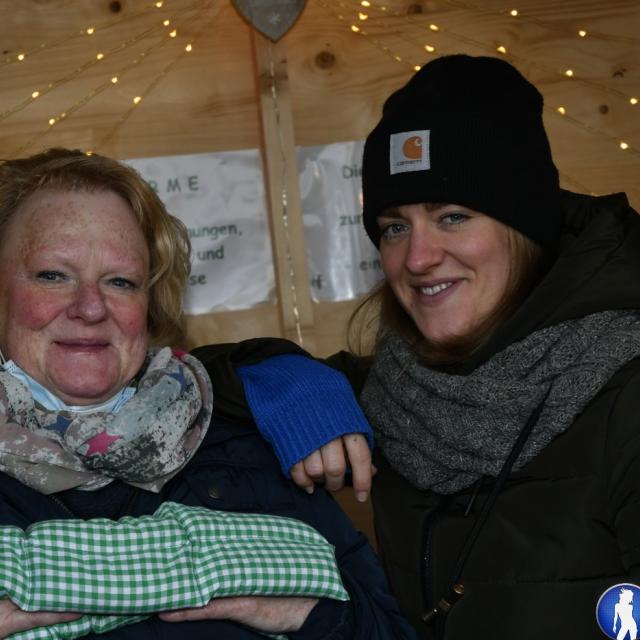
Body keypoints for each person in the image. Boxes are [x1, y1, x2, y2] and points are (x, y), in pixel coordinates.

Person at [223, 54, 640, 639]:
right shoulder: (392, 393)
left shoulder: (624, 390)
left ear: (526, 227)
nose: (416, 259)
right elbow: (179, 386)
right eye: (395, 227)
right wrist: (286, 379)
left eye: (453, 217)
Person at [0, 148, 418, 640]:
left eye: (121, 281)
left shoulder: (254, 448)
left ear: (151, 304)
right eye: (52, 275)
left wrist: (313, 615)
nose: (91, 307)